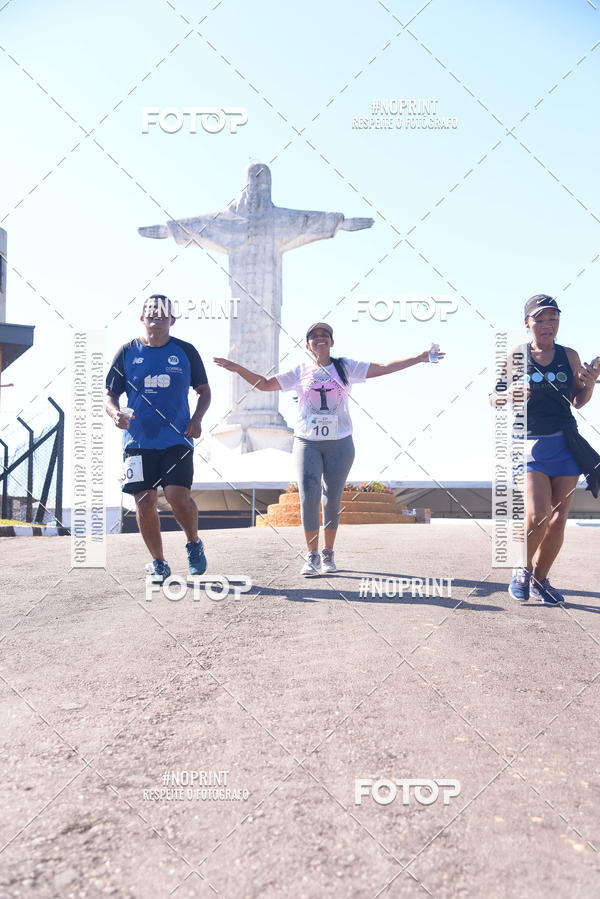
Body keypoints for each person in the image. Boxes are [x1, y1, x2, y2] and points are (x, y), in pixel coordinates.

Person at [215, 322, 444, 575]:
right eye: (314, 336)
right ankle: (311, 555)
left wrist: (419, 358)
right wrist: (238, 369)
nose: (320, 338)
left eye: (325, 335)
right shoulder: (300, 371)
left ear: (332, 342)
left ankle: (328, 553)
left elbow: (383, 367)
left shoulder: (345, 366)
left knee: (331, 500)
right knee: (308, 497)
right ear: (307, 345)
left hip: (340, 443)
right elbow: (266, 384)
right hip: (307, 442)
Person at [494, 295, 599, 605]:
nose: (547, 324)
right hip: (528, 443)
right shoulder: (516, 356)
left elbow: (577, 401)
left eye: (552, 318)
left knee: (558, 518)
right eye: (539, 319)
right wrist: (510, 394)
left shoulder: (569, 355)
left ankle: (540, 580)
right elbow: (493, 398)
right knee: (539, 514)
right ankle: (522, 571)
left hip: (565, 442)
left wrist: (591, 382)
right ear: (527, 323)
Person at [105, 294, 211, 583]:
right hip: (137, 442)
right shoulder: (127, 351)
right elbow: (109, 395)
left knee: (177, 495)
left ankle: (193, 542)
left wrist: (197, 419)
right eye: (151, 309)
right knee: (144, 501)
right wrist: (115, 414)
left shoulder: (185, 351)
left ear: (172, 320)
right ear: (142, 317)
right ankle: (159, 562)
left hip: (177, 438)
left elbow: (204, 391)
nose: (156, 314)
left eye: (163, 311)